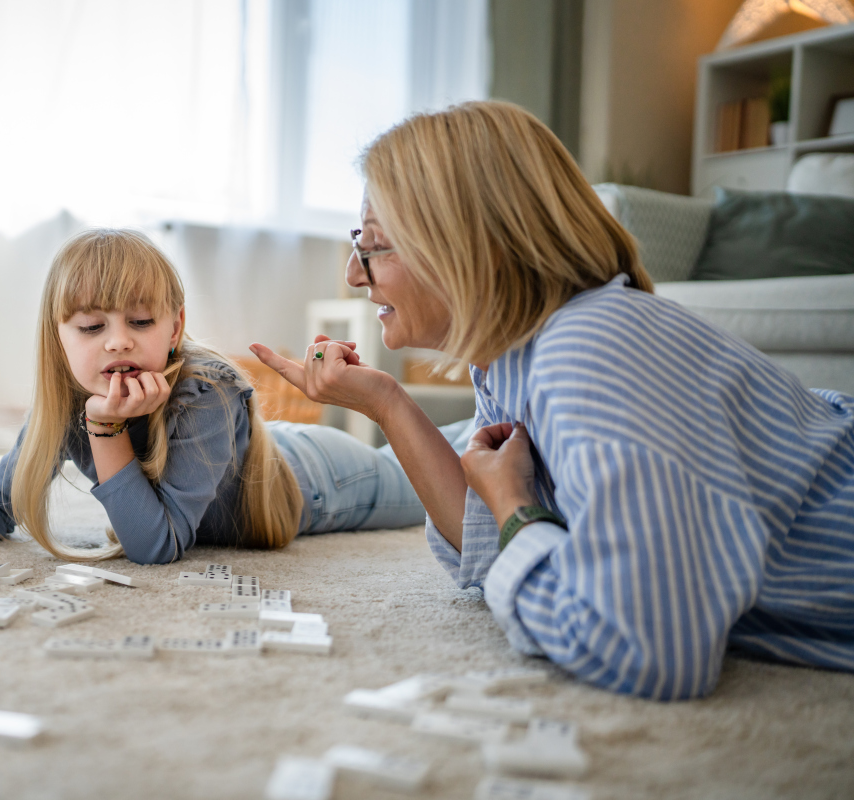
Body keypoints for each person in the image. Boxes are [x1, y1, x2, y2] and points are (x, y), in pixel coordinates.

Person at [252, 100, 854, 700]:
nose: (357, 274)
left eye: (375, 246)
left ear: (467, 243)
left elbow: (649, 649)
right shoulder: (513, 358)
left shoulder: (589, 347)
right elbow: (485, 545)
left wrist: (517, 507)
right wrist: (387, 402)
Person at [0, 228, 471, 569]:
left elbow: (157, 545)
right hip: (260, 455)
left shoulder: (206, 391)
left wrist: (106, 434)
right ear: (58, 336)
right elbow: (0, 496)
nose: (118, 340)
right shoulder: (70, 401)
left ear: (174, 327)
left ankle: (491, 425)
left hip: (314, 480)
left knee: (443, 479)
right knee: (445, 459)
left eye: (140, 320)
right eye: (90, 327)